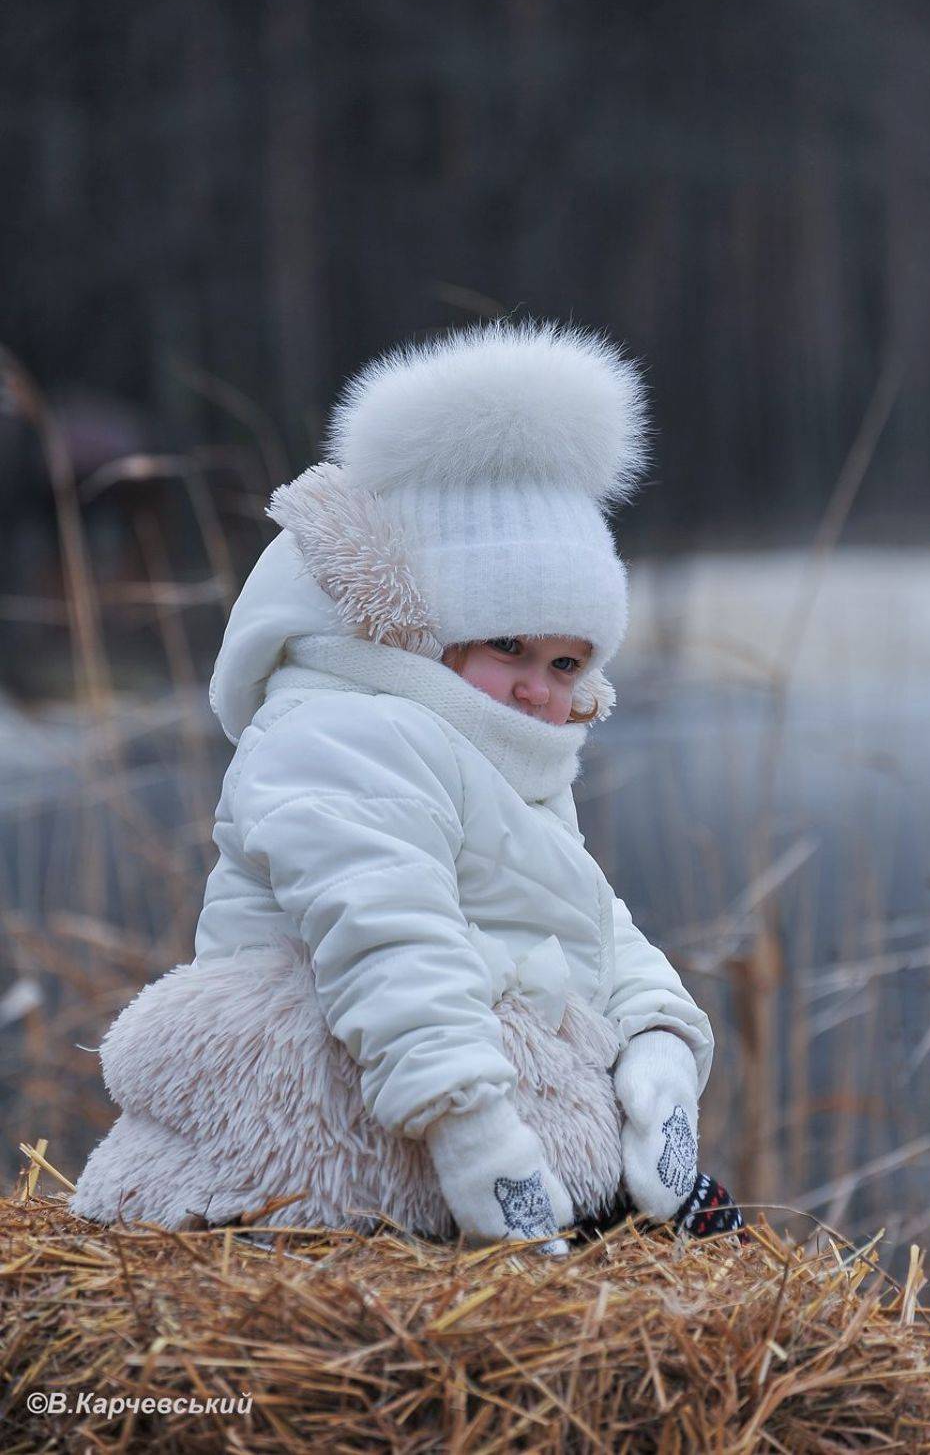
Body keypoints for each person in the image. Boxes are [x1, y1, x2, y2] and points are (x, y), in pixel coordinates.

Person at [70, 320, 743, 1253]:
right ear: (430, 626)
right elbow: (390, 943)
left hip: (422, 1097)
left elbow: (590, 923)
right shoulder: (345, 733)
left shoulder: (497, 752)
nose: (536, 690)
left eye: (563, 662)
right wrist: (476, 1137)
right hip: (326, 1128)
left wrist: (659, 1043)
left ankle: (624, 1198)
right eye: (507, 643)